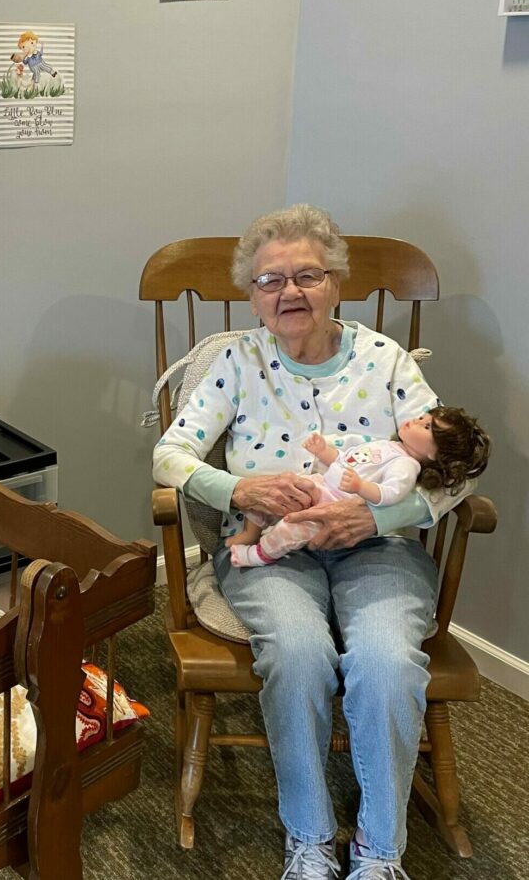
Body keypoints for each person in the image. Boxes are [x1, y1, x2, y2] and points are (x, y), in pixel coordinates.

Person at [152, 204, 482, 879]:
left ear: (337, 282)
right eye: (270, 280)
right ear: (252, 294)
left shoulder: (385, 361)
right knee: (299, 651)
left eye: (308, 274)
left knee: (388, 658)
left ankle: (380, 852)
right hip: (273, 544)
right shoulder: (238, 362)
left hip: (379, 549)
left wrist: (380, 520)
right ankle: (308, 838)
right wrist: (239, 491)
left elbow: (457, 468)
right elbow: (169, 456)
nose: (289, 292)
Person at [230, 407, 490, 567]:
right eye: (423, 416)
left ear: (435, 455)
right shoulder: (386, 446)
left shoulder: (406, 466)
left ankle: (260, 555)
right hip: (322, 485)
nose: (416, 419)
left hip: (332, 504)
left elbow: (390, 494)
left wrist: (361, 487)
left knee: (291, 527)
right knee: (278, 489)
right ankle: (251, 531)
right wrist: (325, 452)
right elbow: (345, 461)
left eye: (426, 426)